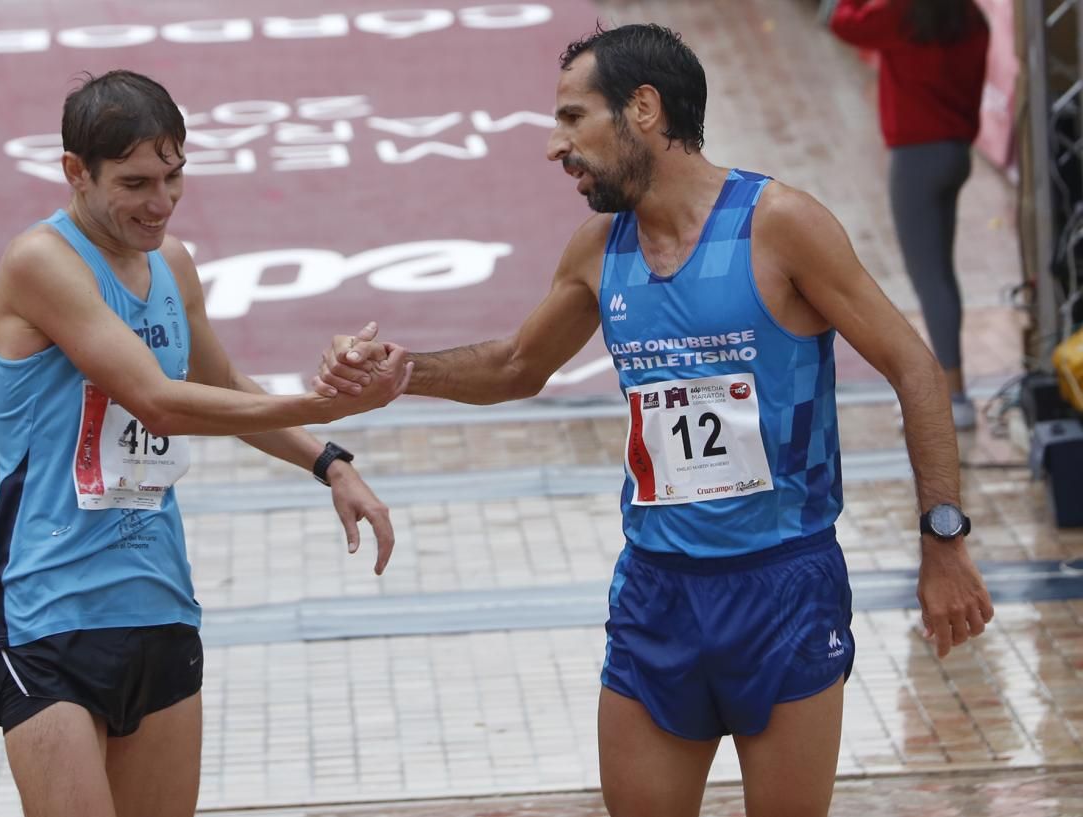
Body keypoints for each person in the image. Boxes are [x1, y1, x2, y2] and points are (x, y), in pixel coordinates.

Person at [316, 24, 994, 817]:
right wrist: (404, 372)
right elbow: (516, 365)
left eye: (573, 118)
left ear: (643, 108)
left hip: (782, 584)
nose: (552, 145)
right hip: (657, 591)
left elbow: (913, 364)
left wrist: (942, 538)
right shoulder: (601, 248)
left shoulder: (780, 223)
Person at [0, 70, 411, 817]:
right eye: (137, 182)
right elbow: (157, 400)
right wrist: (325, 396)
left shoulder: (172, 264)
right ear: (75, 173)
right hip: (50, 613)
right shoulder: (40, 262)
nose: (161, 203)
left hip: (159, 602)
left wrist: (329, 459)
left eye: (174, 177)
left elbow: (224, 383)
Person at [829, 0, 991, 430]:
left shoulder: (903, 13)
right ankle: (952, 390)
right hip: (956, 153)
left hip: (916, 158)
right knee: (941, 274)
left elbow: (841, 21)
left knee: (929, 278)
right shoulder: (971, 19)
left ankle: (952, 398)